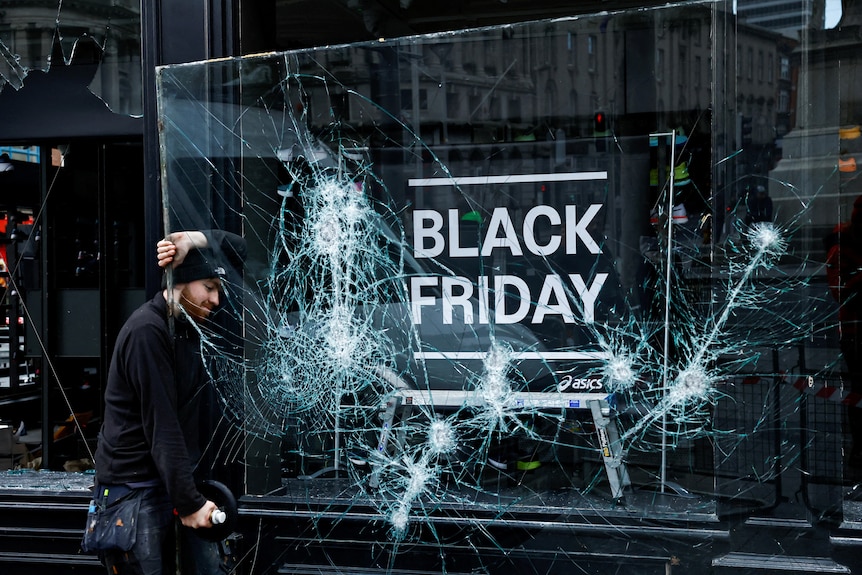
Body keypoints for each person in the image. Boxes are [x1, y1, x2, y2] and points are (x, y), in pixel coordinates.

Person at [89, 229, 246, 574]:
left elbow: (242, 247)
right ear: (181, 282)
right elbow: (162, 424)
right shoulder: (148, 331)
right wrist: (190, 503)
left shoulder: (186, 325)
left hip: (169, 484)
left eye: (218, 290)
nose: (216, 300)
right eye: (209, 287)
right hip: (134, 493)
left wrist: (194, 238)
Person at [826, 196, 862, 467]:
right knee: (858, 392)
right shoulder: (843, 247)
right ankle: (858, 448)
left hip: (852, 329)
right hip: (854, 331)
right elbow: (840, 291)